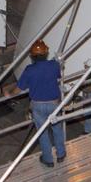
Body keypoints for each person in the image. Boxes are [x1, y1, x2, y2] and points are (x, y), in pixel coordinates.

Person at [16, 39, 66, 167]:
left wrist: (9, 93)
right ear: (46, 53)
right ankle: (61, 154)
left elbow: (20, 88)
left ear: (32, 56)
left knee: (42, 133)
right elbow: (59, 75)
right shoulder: (54, 65)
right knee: (57, 129)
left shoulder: (29, 70)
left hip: (37, 105)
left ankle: (48, 160)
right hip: (54, 104)